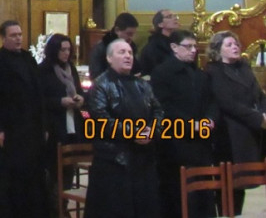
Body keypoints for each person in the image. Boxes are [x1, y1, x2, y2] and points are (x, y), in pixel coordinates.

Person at [84, 39, 163, 218]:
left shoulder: (142, 85)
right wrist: (134, 133)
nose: (128, 56)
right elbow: (102, 119)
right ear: (109, 58)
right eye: (122, 52)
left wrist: (152, 131)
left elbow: (158, 111)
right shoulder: (101, 85)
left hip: (143, 159)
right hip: (114, 160)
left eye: (130, 52)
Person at [0, 20, 48, 218]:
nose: (18, 38)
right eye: (13, 35)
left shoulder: (28, 59)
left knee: (32, 178)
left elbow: (39, 95)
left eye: (20, 34)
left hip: (31, 128)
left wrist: (43, 126)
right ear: (3, 38)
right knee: (9, 179)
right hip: (9, 129)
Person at [151, 30, 217, 218]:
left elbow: (212, 101)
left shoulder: (200, 75)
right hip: (175, 143)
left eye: (195, 46)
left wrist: (210, 119)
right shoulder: (162, 73)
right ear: (174, 47)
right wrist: (190, 125)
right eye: (188, 46)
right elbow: (163, 107)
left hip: (201, 143)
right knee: (178, 195)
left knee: (203, 191)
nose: (194, 50)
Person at [204, 30, 266, 215]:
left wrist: (264, 112)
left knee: (242, 181)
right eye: (229, 45)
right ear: (218, 50)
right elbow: (227, 103)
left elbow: (259, 95)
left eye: (236, 44)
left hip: (250, 131)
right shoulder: (214, 71)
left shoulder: (244, 67)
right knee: (230, 181)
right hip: (229, 132)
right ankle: (228, 214)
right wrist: (258, 118)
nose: (235, 47)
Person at [39, 33, 85, 204]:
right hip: (53, 125)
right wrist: (60, 101)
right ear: (54, 50)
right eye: (62, 50)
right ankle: (54, 208)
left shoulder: (71, 68)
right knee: (53, 171)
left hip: (72, 124)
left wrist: (80, 99)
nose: (66, 53)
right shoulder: (43, 70)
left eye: (68, 49)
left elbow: (79, 90)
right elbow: (39, 100)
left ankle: (63, 205)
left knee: (68, 169)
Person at [88, 12, 141, 80]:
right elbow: (96, 77)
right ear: (117, 30)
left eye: (133, 34)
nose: (131, 38)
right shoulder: (100, 49)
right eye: (129, 34)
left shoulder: (132, 47)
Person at [138, 9, 180, 75]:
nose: (175, 18)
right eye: (169, 17)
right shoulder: (154, 46)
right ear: (160, 24)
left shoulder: (178, 41)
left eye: (175, 16)